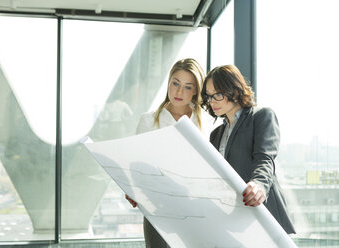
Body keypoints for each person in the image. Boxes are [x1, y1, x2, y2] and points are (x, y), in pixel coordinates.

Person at [201, 64, 296, 234]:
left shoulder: (261, 116)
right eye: (209, 96)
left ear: (235, 91)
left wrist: (259, 185)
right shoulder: (216, 134)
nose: (212, 101)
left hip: (263, 213)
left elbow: (265, 160)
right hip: (234, 218)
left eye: (218, 95)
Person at [126, 58, 206, 248]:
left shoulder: (207, 122)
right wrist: (132, 189)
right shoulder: (148, 121)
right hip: (158, 208)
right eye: (175, 83)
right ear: (168, 82)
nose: (179, 92)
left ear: (195, 90)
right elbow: (136, 167)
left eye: (188, 87)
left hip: (198, 209)